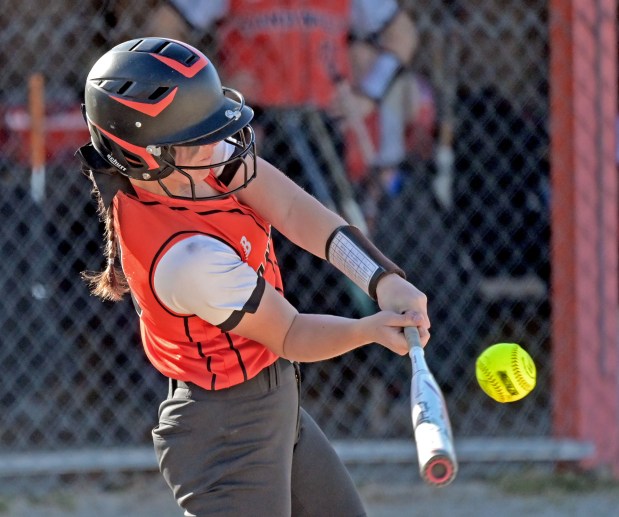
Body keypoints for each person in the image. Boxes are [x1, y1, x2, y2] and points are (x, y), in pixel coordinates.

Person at [76, 37, 430, 516]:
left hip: (274, 401)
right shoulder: (188, 259)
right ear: (143, 155)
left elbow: (293, 209)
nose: (217, 146)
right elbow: (290, 332)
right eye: (195, 139)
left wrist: (382, 281)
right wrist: (369, 331)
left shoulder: (191, 166)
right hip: (225, 432)